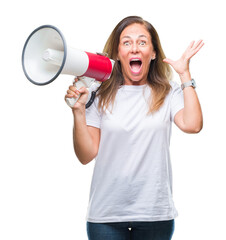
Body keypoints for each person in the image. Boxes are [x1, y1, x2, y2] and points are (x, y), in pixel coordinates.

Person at [65, 16, 204, 240]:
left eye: (142, 42)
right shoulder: (98, 94)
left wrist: (184, 75)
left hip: (155, 214)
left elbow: (193, 125)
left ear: (154, 52)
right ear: (118, 53)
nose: (134, 49)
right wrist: (78, 111)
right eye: (126, 43)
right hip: (106, 216)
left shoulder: (169, 92)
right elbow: (86, 155)